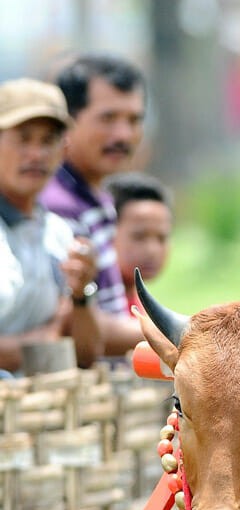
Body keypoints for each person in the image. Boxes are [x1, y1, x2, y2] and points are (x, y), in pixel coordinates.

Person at [40, 52, 147, 358]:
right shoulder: (57, 206)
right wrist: (177, 331)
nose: (123, 135)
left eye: (134, 120)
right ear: (66, 122)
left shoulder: (96, 196)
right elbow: (70, 323)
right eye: (108, 118)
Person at [0, 78, 101, 373]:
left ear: (64, 149)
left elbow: (86, 353)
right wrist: (52, 334)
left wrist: (81, 294)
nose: (36, 154)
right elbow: (59, 342)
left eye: (48, 141)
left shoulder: (59, 234)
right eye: (23, 138)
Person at [105, 171, 173, 312]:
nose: (152, 250)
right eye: (139, 237)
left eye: (161, 238)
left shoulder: (138, 306)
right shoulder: (89, 305)